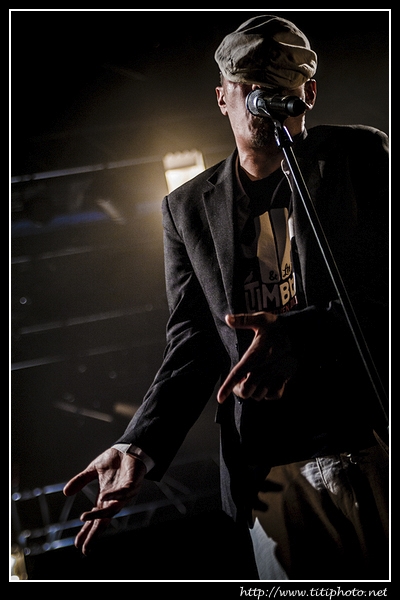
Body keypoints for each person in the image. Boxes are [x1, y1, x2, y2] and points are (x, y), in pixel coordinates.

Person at [64, 15, 389, 580]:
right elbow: (192, 344)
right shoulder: (187, 208)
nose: (263, 98)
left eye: (279, 84)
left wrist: (299, 338)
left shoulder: (359, 157)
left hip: (367, 438)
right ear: (223, 98)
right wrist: (139, 444)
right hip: (269, 469)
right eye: (249, 86)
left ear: (308, 93)